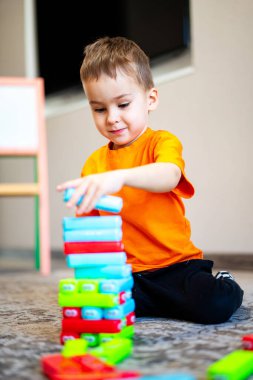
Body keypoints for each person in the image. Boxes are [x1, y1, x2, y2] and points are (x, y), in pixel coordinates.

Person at [57, 36, 243, 324]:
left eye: (123, 104)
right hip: (128, 273)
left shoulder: (162, 142)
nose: (112, 118)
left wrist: (118, 178)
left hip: (175, 267)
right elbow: (94, 233)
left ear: (150, 99)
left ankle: (226, 281)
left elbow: (169, 176)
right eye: (99, 109)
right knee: (96, 310)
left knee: (213, 305)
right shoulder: (94, 164)